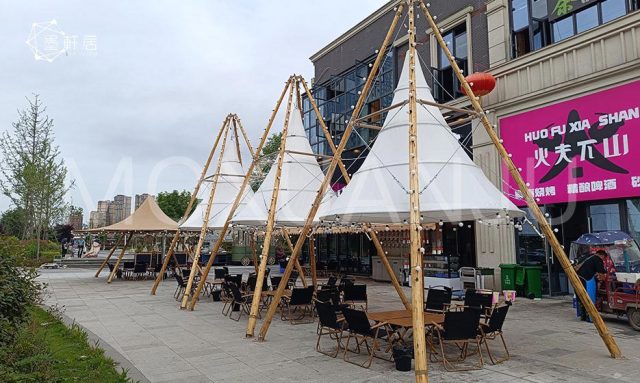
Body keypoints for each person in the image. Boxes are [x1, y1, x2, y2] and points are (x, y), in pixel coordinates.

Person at [575, 250, 608, 321]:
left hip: (578, 278)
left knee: (581, 297)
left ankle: (582, 316)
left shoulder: (587, 256)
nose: (603, 259)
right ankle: (590, 317)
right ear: (602, 255)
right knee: (589, 297)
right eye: (604, 258)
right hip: (588, 280)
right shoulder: (598, 259)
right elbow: (601, 271)